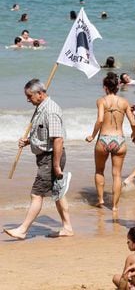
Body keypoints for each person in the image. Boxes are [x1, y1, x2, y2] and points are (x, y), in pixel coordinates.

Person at [3, 79, 73, 240]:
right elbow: (45, 136)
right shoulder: (41, 108)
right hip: (45, 157)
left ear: (40, 94)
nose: (28, 99)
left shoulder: (51, 110)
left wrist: (56, 165)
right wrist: (28, 141)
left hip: (51, 158)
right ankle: (67, 227)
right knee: (58, 193)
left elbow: (58, 139)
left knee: (36, 194)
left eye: (30, 96)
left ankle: (23, 230)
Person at [85, 73, 135, 211]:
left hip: (103, 139)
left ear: (105, 87)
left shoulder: (101, 101)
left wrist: (92, 135)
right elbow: (133, 122)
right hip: (119, 140)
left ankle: (101, 200)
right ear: (118, 86)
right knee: (117, 174)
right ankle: (114, 206)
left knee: (99, 171)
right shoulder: (125, 102)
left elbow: (100, 120)